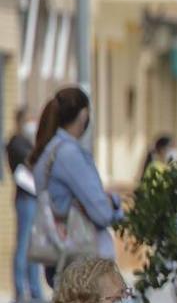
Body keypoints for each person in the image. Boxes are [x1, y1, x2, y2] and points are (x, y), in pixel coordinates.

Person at [30, 86, 125, 271]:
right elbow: (101, 213)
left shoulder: (48, 150)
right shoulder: (69, 154)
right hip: (84, 259)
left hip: (59, 252)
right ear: (83, 115)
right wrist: (113, 203)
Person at [7, 105, 41, 299]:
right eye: (30, 119)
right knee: (23, 244)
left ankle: (35, 289)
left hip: (33, 197)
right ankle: (20, 289)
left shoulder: (28, 141)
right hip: (25, 199)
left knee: (33, 246)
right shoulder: (16, 142)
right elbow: (32, 161)